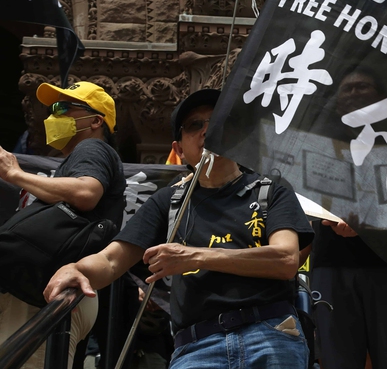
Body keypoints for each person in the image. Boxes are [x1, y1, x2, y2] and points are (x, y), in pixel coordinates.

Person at [45, 88, 314, 369]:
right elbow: (112, 259)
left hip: (271, 334)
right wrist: (76, 269)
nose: (207, 131)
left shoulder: (272, 190)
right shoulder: (168, 201)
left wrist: (193, 257)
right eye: (194, 125)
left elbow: (285, 260)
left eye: (219, 121)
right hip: (197, 347)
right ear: (178, 149)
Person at [0, 80, 126, 369]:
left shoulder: (92, 148)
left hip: (49, 291)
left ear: (95, 120)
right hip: (55, 288)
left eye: (63, 108)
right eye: (51, 109)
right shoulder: (80, 158)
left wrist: (14, 174)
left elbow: (86, 193)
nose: (53, 116)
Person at [312, 68, 387, 369]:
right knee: (337, 360)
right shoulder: (320, 141)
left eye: (362, 86)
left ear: (382, 97)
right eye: (347, 89)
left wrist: (367, 225)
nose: (354, 94)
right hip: (331, 265)